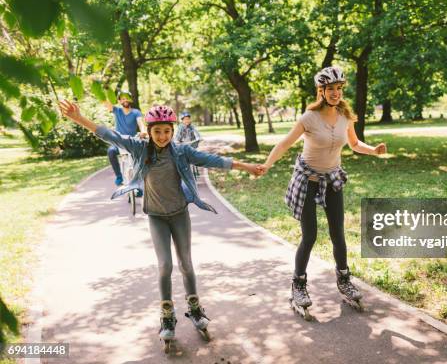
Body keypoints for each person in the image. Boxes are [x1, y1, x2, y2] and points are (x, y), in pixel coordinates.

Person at [58, 100, 263, 351]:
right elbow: (110, 135)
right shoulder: (139, 149)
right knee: (165, 265)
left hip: (179, 215)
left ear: (172, 130)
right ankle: (167, 313)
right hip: (156, 216)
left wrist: (247, 166)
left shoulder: (181, 152)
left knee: (186, 264)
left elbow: (212, 160)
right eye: (157, 131)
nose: (163, 136)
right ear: (149, 130)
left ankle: (195, 309)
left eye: (167, 131)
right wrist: (79, 118)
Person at [259, 66, 387, 318]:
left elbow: (354, 143)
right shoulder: (308, 118)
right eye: (331, 89)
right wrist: (266, 164)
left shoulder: (345, 116)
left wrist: (373, 150)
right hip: (308, 180)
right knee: (310, 236)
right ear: (321, 91)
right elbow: (285, 143)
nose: (336, 93)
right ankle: (298, 285)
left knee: (338, 233)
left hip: (332, 180)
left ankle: (344, 280)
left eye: (339, 88)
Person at [103, 91, 148, 187]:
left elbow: (141, 123)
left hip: (132, 141)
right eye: (122, 98)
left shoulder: (136, 112)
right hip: (118, 141)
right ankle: (119, 176)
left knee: (138, 159)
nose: (125, 100)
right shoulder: (117, 110)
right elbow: (105, 102)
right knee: (111, 151)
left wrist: (143, 131)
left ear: (130, 99)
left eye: (127, 98)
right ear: (119, 101)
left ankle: (137, 184)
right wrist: (99, 87)